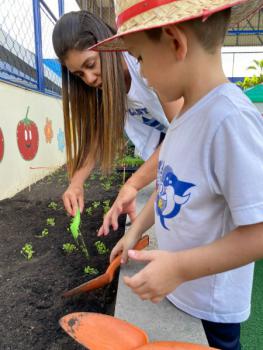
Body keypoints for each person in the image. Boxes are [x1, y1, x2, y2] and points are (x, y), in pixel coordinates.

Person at [92, 0, 263, 349]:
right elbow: (168, 187)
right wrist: (135, 230)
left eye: (139, 58)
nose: (140, 74)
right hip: (180, 291)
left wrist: (180, 268)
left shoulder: (229, 121)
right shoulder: (185, 116)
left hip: (212, 310)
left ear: (175, 42)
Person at [52, 11, 183, 225]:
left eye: (91, 64)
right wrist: (76, 182)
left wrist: (133, 184)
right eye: (79, 75)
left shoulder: (145, 65)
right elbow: (97, 135)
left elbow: (182, 131)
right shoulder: (103, 88)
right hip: (173, 156)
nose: (90, 79)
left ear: (106, 46)